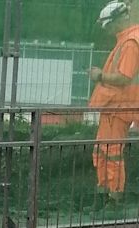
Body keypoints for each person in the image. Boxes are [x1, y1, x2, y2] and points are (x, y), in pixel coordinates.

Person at [88, 0, 139, 210]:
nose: (106, 30)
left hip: (119, 107)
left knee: (112, 152)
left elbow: (124, 77)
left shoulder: (130, 42)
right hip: (112, 108)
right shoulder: (125, 40)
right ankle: (104, 195)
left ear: (118, 20)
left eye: (107, 25)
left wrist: (100, 75)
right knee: (103, 151)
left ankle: (114, 199)